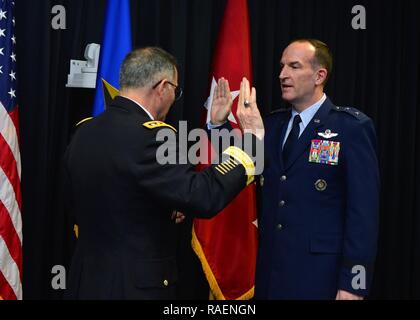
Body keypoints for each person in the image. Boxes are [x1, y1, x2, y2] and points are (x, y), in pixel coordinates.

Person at [64, 47, 264, 299]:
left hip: (86, 281)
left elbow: (102, 198)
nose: (173, 98)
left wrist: (164, 202)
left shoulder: (85, 131)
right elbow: (203, 196)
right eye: (176, 91)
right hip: (134, 289)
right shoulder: (154, 136)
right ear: (162, 86)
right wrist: (252, 146)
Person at [210, 39, 379, 300]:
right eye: (282, 66)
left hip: (321, 276)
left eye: (294, 66)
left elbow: (363, 214)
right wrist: (218, 125)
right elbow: (241, 165)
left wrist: (353, 284)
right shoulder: (273, 125)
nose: (282, 75)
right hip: (271, 273)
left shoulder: (350, 127)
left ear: (319, 75)